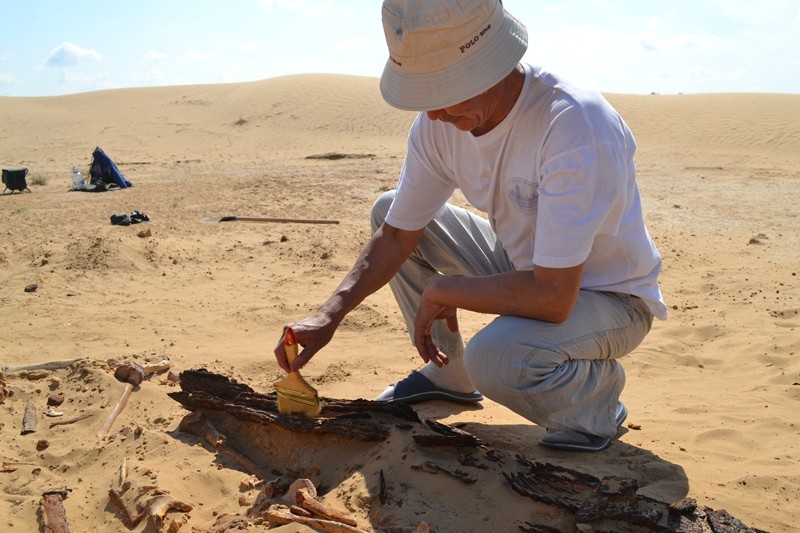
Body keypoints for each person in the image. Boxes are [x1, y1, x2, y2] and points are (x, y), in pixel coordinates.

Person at [274, 0, 668, 452]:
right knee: (391, 211)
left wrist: (447, 290)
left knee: (498, 359)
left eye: (442, 91)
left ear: (491, 69)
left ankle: (595, 404)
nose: (433, 113)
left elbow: (554, 298)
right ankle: (448, 372)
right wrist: (330, 314)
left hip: (608, 299)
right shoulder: (439, 122)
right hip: (526, 266)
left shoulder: (574, 123)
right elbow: (400, 234)